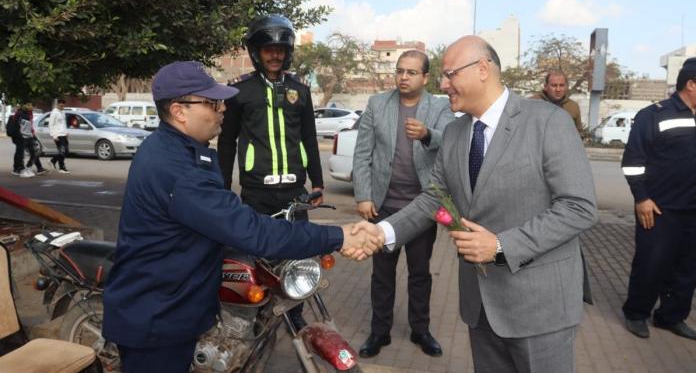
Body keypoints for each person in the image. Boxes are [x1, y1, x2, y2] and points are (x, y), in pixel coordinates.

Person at [103, 61, 378, 373]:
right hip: (156, 319)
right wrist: (339, 236)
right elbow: (252, 231)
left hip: (170, 303)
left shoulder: (180, 148)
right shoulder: (177, 169)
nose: (223, 108)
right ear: (179, 111)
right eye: (212, 102)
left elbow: (221, 211)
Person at [348, 36, 598, 372]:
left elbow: (578, 206)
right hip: (480, 307)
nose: (442, 83)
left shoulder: (548, 122)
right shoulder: (453, 134)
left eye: (450, 74)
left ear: (483, 69)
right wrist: (381, 232)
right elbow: (435, 199)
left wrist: (500, 245)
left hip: (539, 307)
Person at [217, 15, 323, 331]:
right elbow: (226, 142)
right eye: (267, 49)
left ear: (288, 51)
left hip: (295, 191)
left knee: (299, 253)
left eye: (280, 49)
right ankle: (256, 310)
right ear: (256, 51)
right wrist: (223, 187)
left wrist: (317, 182)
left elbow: (309, 137)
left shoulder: (299, 90)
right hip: (256, 191)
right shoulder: (239, 91)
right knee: (256, 254)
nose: (274, 55)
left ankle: (295, 311)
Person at [352, 50, 454, 358]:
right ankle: (379, 332)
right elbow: (362, 153)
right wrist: (364, 195)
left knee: (420, 273)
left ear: (425, 77)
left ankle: (420, 330)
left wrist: (426, 134)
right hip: (383, 206)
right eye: (400, 71)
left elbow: (449, 137)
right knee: (382, 274)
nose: (404, 77)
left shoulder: (438, 106)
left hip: (421, 207)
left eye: (411, 72)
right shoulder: (377, 104)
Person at [620, 57, 696, 341]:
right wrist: (641, 198)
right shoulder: (654, 114)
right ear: (691, 84)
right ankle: (636, 313)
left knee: (689, 269)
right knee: (652, 263)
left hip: (695, 211)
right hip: (659, 208)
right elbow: (632, 161)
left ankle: (671, 317)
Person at [18, 103, 47, 176]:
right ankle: (23, 170)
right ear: (27, 107)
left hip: (29, 136)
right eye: (31, 106)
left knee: (34, 153)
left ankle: (29, 168)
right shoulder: (24, 115)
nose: (33, 107)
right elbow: (23, 127)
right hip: (24, 137)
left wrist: (33, 135)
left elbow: (30, 127)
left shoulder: (28, 114)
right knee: (23, 155)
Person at [48, 99, 70, 173]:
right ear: (58, 105)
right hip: (58, 135)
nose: (62, 107)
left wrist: (66, 132)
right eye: (61, 105)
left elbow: (64, 123)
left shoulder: (63, 112)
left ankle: (52, 160)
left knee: (66, 151)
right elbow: (51, 125)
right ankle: (61, 168)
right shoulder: (54, 113)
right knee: (62, 151)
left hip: (63, 134)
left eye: (63, 106)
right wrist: (54, 135)